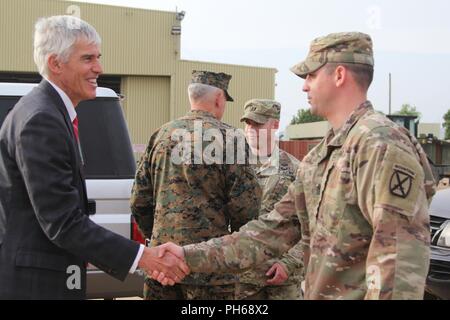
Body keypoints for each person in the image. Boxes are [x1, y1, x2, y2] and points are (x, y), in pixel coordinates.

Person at [156, 32, 437, 300]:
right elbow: (268, 233)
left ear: (339, 75)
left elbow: (400, 262)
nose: (304, 85)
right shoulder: (321, 157)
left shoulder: (379, 144)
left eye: (311, 75)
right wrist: (186, 255)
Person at [0, 15, 188, 300]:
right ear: (55, 63)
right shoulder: (41, 120)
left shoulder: (47, 112)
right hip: (35, 286)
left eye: (98, 57)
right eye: (87, 59)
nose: (98, 68)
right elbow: (63, 223)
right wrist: (145, 257)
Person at [130, 70, 261, 300]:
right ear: (219, 98)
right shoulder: (230, 138)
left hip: (162, 264)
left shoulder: (161, 135)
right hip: (211, 268)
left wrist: (159, 239)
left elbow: (139, 200)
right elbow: (246, 208)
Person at [237, 99, 303, 300]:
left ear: (274, 125)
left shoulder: (295, 170)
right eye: (247, 123)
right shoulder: (231, 169)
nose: (250, 129)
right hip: (241, 279)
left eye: (257, 124)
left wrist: (290, 262)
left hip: (283, 281)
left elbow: (314, 224)